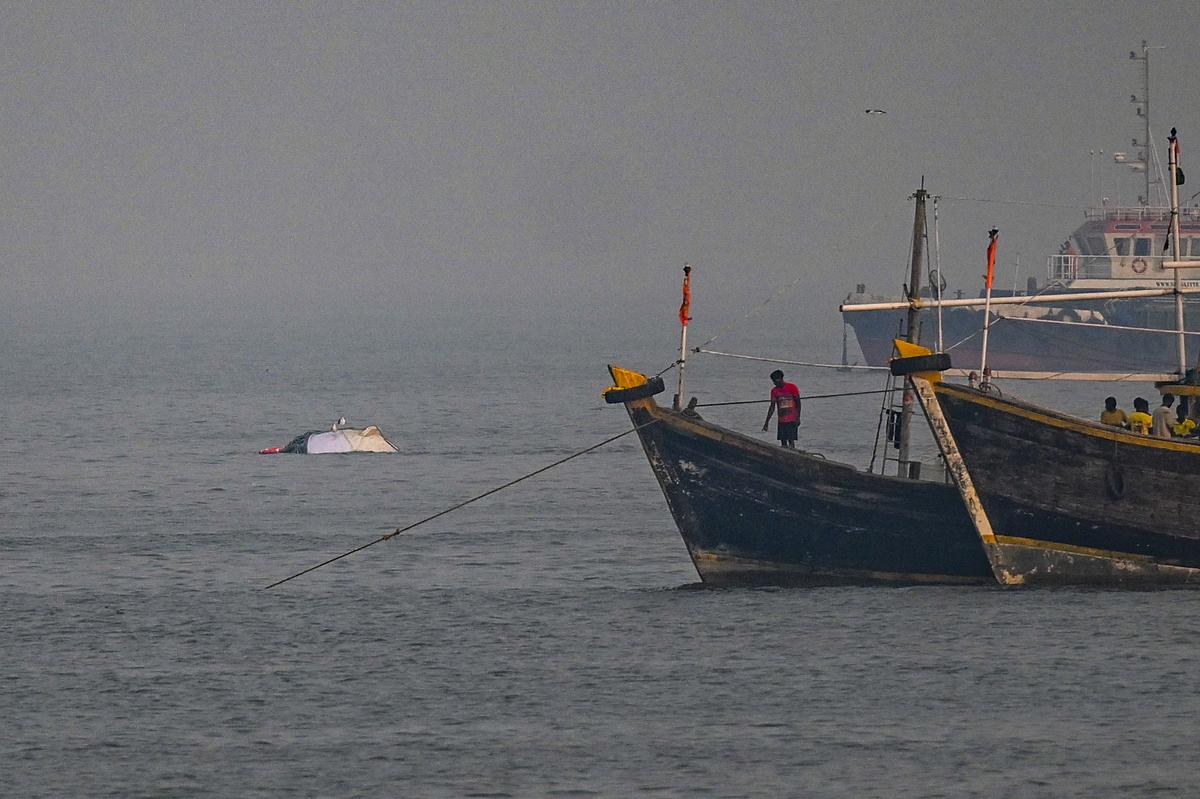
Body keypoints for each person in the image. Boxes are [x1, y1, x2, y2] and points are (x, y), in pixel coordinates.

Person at [762, 369, 801, 448]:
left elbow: (798, 403)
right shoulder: (774, 391)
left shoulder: (792, 387)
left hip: (792, 419)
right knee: (783, 443)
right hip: (782, 420)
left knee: (791, 441)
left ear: (780, 379)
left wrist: (797, 417)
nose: (774, 383)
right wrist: (766, 422)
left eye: (775, 381)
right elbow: (772, 406)